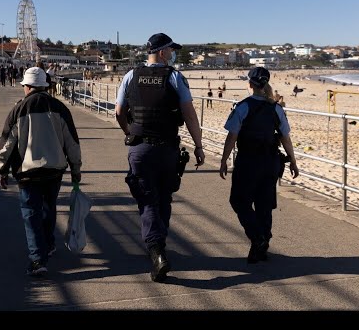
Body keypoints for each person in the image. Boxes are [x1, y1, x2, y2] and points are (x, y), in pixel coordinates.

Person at [115, 32, 205, 282]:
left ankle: (156, 250)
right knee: (163, 198)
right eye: (171, 50)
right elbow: (189, 115)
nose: (173, 54)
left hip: (140, 148)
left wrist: (129, 133)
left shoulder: (130, 76)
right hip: (167, 149)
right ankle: (159, 247)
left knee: (148, 200)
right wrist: (198, 145)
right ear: (163, 52)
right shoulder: (175, 77)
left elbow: (119, 112)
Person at [0, 67, 82, 276]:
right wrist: (76, 168)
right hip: (54, 171)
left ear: (27, 87)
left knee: (31, 213)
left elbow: (7, 143)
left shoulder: (18, 109)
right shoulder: (60, 108)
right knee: (48, 207)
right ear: (45, 86)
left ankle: (37, 259)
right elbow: (72, 142)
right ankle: (49, 244)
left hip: (28, 172)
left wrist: (1, 170)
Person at [219, 67, 299, 264]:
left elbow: (232, 137)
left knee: (239, 201)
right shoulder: (276, 108)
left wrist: (224, 160)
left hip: (248, 161)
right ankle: (261, 248)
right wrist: (293, 160)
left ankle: (258, 238)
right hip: (270, 161)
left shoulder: (243, 107)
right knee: (264, 205)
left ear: (249, 84)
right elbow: (286, 138)